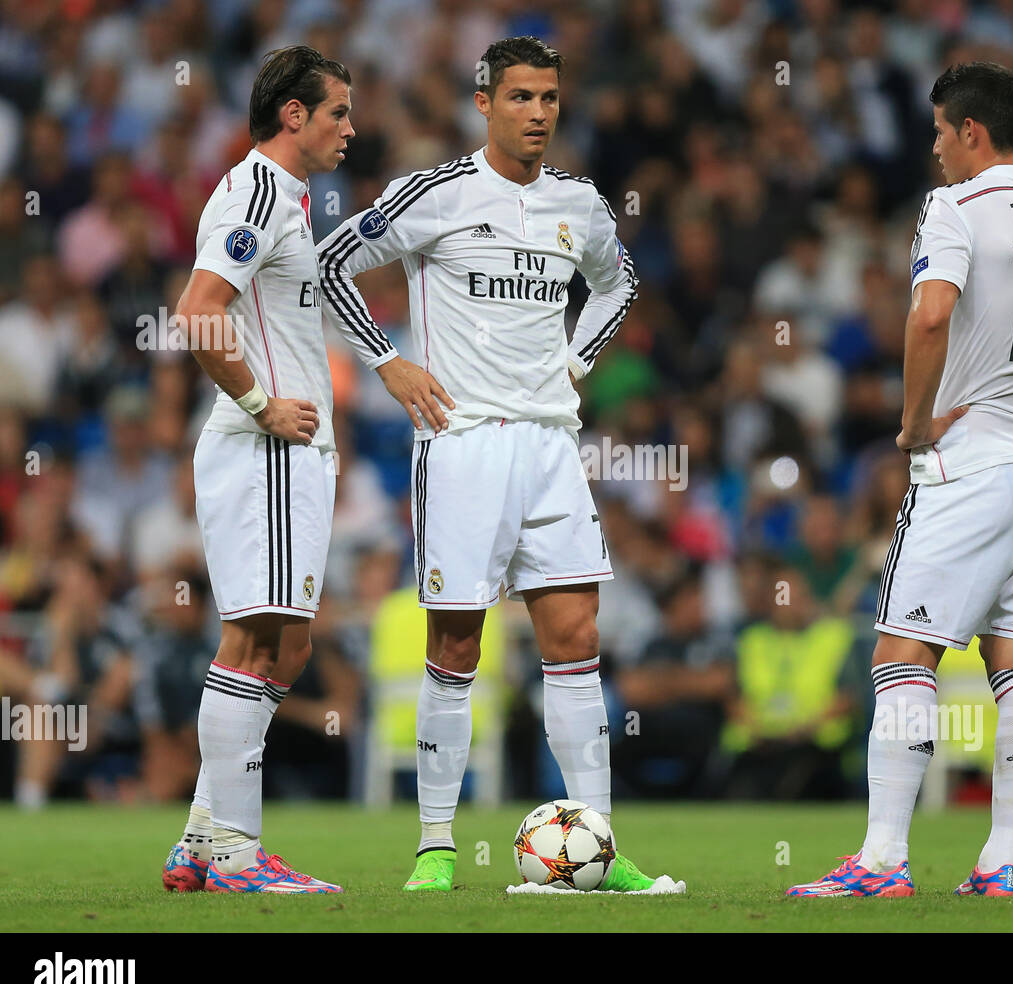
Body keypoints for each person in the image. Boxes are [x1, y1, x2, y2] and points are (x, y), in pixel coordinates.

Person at [318, 36, 678, 893]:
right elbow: (332, 261)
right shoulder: (435, 193)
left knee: (576, 641)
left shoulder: (580, 203)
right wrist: (387, 361)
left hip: (553, 444)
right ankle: (437, 847)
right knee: (454, 643)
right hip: (463, 442)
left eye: (549, 98)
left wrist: (578, 361)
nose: (538, 113)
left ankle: (599, 841)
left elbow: (619, 280)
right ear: (484, 104)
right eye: (520, 97)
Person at [787, 62, 1013, 898]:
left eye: (942, 131)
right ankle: (1001, 861)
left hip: (968, 463)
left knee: (901, 654)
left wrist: (914, 424)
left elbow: (931, 312)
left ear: (971, 131)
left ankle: (881, 862)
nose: (936, 148)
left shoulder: (954, 208)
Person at [161, 45, 439, 895]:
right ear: (293, 114)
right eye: (338, 113)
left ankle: (202, 837)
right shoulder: (252, 190)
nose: (351, 128)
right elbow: (199, 314)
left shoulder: (286, 198)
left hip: (293, 452)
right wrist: (262, 408)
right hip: (266, 448)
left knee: (290, 641)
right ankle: (238, 852)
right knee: (253, 639)